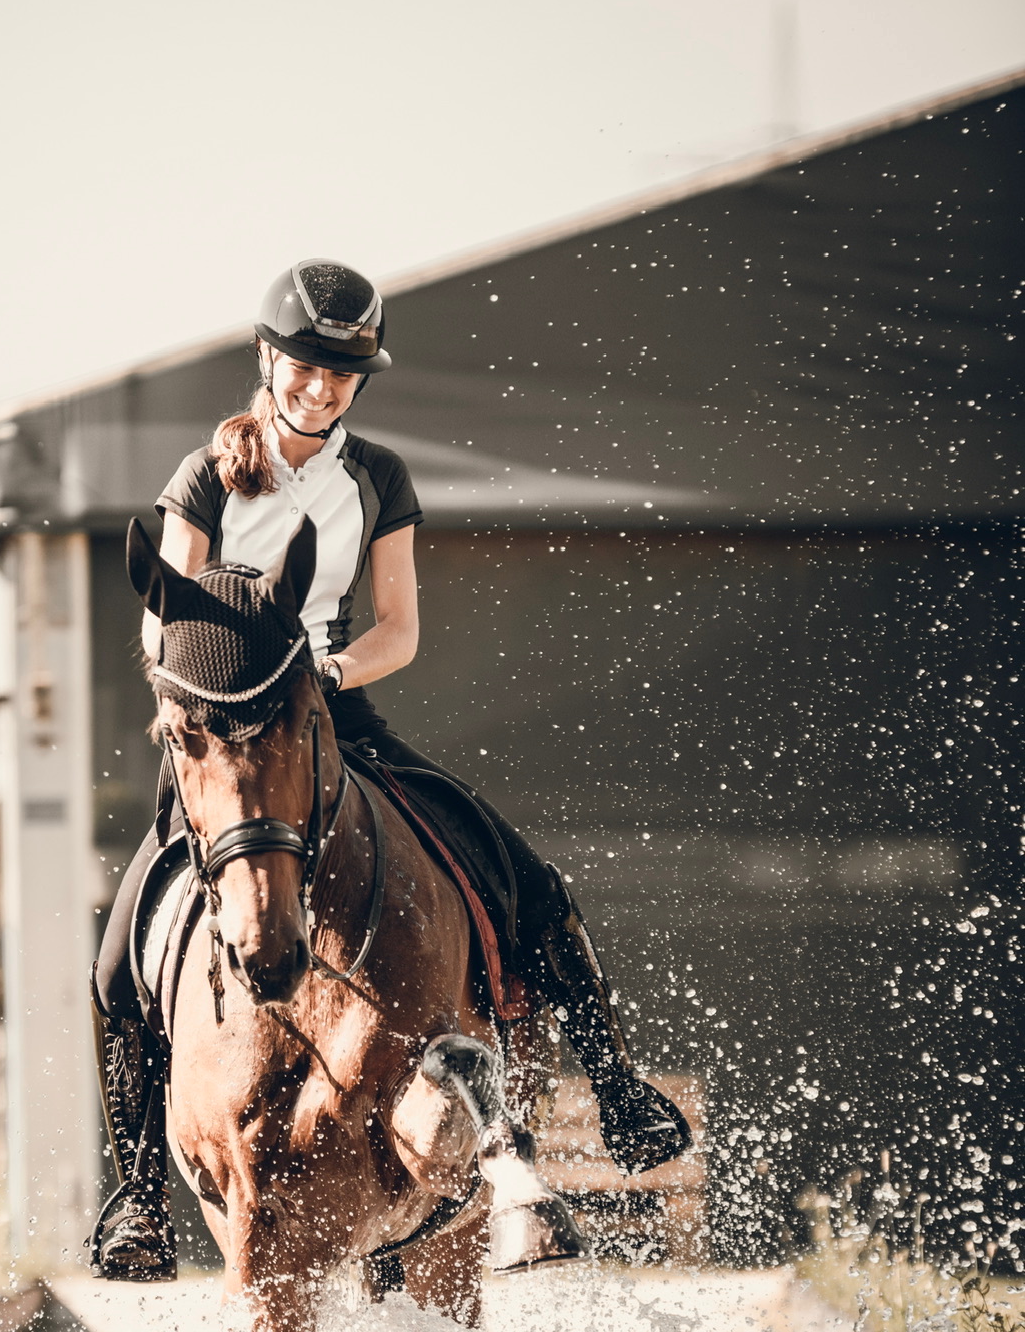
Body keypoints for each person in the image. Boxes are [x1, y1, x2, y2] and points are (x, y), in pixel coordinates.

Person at [89, 258, 691, 1280]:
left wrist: (323, 668)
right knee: (116, 963)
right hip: (222, 731)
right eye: (307, 367)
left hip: (331, 710)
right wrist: (222, 695)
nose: (322, 388)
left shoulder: (378, 476)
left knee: (518, 872)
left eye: (343, 373)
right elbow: (166, 625)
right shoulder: (200, 475)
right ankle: (136, 1197)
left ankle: (618, 1086)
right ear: (269, 361)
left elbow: (399, 629)